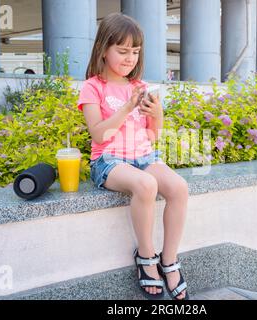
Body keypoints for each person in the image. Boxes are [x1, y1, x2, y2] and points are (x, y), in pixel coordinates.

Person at [77, 13, 189, 300]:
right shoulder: (93, 86)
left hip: (143, 156)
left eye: (135, 52)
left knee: (179, 187)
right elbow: (99, 135)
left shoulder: (139, 87)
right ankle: (146, 257)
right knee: (146, 185)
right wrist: (127, 108)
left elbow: (152, 137)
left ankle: (169, 260)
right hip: (109, 161)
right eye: (122, 51)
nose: (130, 58)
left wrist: (158, 116)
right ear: (104, 49)